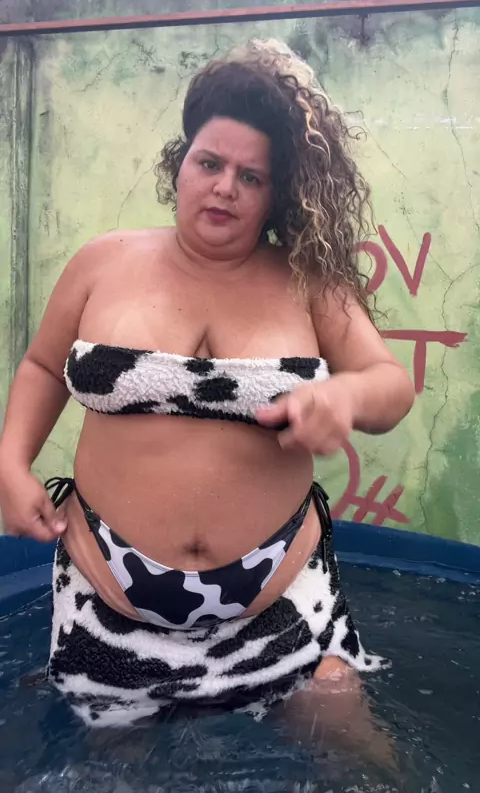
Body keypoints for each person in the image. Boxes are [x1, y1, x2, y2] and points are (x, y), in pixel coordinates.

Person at [0, 39, 414, 728]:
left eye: (252, 177)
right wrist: (11, 464)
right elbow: (44, 366)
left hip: (282, 598)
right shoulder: (102, 262)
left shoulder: (308, 281)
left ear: (275, 196)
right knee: (113, 767)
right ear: (181, 164)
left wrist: (343, 396)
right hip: (109, 597)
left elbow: (389, 386)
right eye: (210, 163)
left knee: (350, 741)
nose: (226, 187)